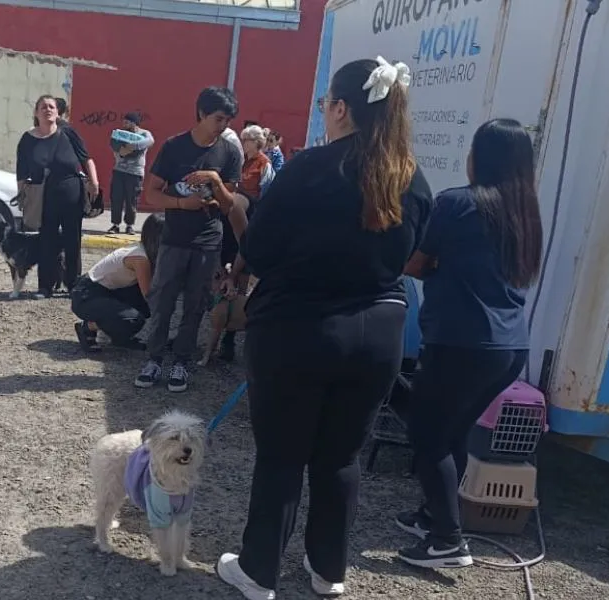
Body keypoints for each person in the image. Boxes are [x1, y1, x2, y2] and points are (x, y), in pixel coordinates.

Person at [214, 56, 433, 600]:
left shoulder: (310, 168)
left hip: (299, 330)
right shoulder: (411, 177)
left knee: (283, 456)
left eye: (326, 104)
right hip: (378, 335)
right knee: (341, 458)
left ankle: (259, 571)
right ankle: (328, 570)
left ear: (340, 108)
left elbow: (259, 248)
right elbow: (407, 256)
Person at [395, 119, 543, 569]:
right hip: (508, 347)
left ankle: (447, 540)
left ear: (480, 158)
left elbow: (413, 263)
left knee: (429, 435)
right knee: (454, 430)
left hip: (461, 341)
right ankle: (434, 515)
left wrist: (436, 266)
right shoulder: (525, 213)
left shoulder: (456, 202)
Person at [133, 86, 243, 393]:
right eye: (219, 118)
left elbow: (229, 205)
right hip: (174, 240)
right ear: (202, 113)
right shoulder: (174, 147)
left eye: (228, 120)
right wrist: (182, 204)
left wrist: (215, 180)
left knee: (195, 306)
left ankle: (181, 362)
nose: (223, 125)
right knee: (163, 303)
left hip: (208, 242)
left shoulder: (230, 152)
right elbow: (151, 194)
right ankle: (153, 360)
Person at [16, 95, 99, 297]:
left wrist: (94, 182)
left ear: (57, 112)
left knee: (72, 240)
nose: (48, 110)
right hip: (43, 196)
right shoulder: (27, 139)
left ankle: (73, 284)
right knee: (47, 240)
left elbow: (86, 159)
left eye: (51, 107)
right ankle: (45, 286)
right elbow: (21, 170)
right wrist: (22, 195)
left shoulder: (68, 132)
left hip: (71, 192)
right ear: (36, 113)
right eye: (43, 107)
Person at [72, 213, 165, 351]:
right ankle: (88, 327)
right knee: (133, 319)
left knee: (141, 308)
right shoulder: (141, 258)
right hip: (86, 295)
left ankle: (120, 337)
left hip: (105, 292)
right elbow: (149, 295)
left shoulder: (144, 250)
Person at [108, 112, 154, 234]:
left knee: (131, 200)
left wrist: (133, 146)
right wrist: (122, 150)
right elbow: (114, 144)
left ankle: (129, 225)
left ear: (134, 123)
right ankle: (115, 224)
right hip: (119, 170)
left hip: (135, 172)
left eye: (127, 122)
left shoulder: (144, 134)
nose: (124, 124)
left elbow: (150, 141)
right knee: (116, 198)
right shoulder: (120, 133)